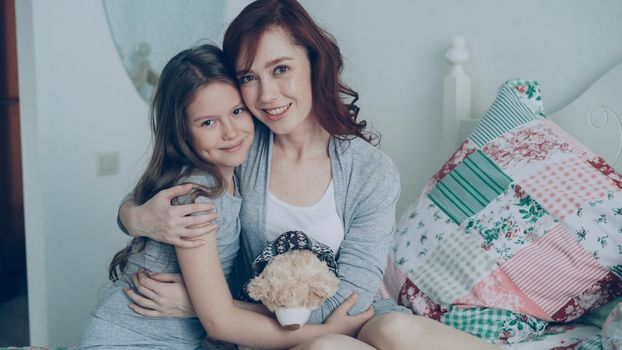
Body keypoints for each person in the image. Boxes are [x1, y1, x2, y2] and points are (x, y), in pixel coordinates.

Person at [118, 1, 499, 349]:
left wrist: (211, 308)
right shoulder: (240, 149)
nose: (267, 95)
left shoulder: (371, 172)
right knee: (326, 347)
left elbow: (354, 303)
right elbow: (165, 183)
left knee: (396, 329)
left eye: (281, 69)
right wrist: (134, 216)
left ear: (315, 63)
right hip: (279, 340)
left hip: (353, 320)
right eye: (249, 78)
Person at [78, 43, 368, 350]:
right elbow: (219, 321)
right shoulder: (197, 196)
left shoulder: (237, 171)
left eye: (237, 111)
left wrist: (131, 215)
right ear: (182, 132)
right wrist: (331, 332)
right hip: (130, 340)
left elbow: (217, 312)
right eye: (208, 122)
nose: (230, 132)